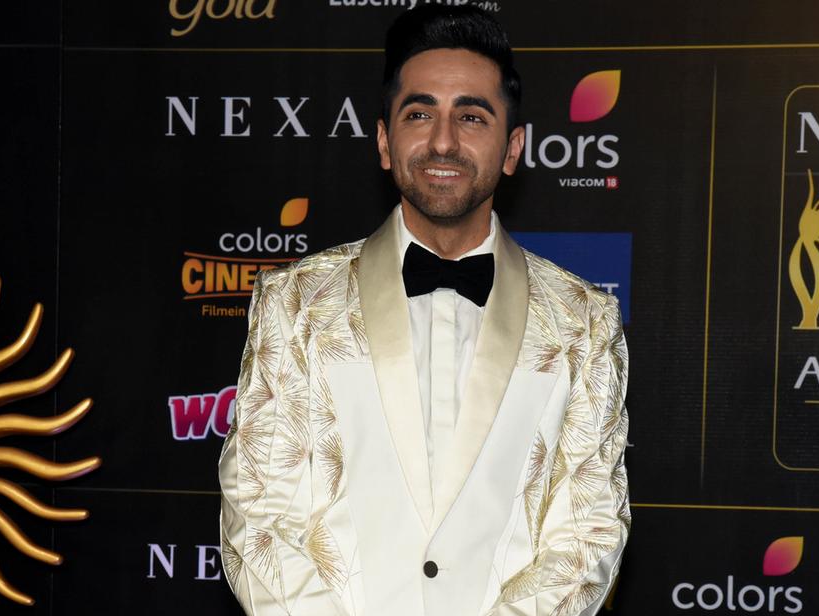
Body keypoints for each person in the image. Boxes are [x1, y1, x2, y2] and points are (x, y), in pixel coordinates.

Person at [217, 5, 630, 615]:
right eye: (419, 113)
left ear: (513, 147)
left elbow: (587, 536)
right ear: (385, 141)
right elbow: (258, 523)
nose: (443, 141)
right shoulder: (296, 303)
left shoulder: (584, 322)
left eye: (471, 116)